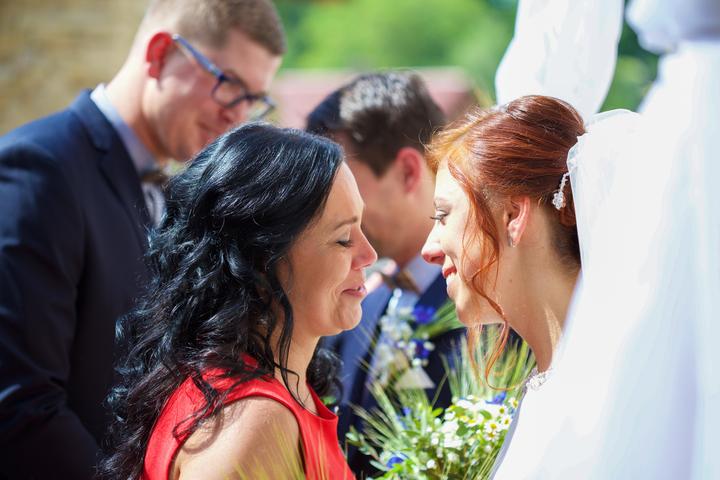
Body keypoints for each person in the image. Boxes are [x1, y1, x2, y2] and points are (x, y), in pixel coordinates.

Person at [0, 1, 285, 477]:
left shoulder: (176, 191)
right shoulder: (40, 170)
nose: (237, 116)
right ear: (160, 54)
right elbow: (18, 401)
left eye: (253, 99)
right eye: (229, 84)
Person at [101, 123, 375, 480]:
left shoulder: (265, 392)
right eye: (343, 239)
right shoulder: (253, 424)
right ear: (261, 259)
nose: (369, 255)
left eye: (362, 228)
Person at [307, 71, 467, 477]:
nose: (323, 208)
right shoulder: (355, 299)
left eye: (344, 184)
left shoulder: (481, 309)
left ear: (408, 172)